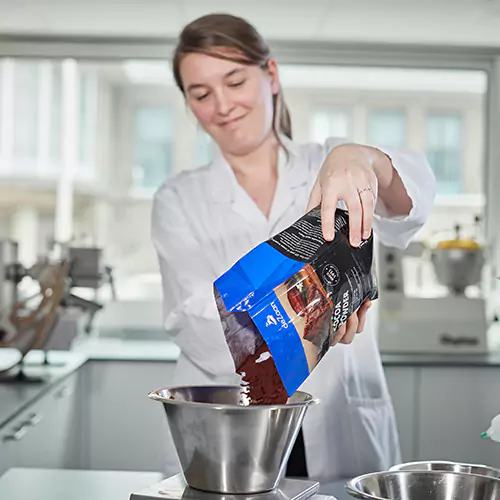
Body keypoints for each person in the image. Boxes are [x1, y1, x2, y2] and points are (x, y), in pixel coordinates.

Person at [151, 13, 435, 482]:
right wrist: (314, 325)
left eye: (235, 80)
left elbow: (414, 201)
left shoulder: (325, 162)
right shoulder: (178, 198)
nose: (222, 104)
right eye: (201, 94)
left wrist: (360, 158)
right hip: (231, 424)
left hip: (340, 421)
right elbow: (196, 322)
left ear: (272, 75)